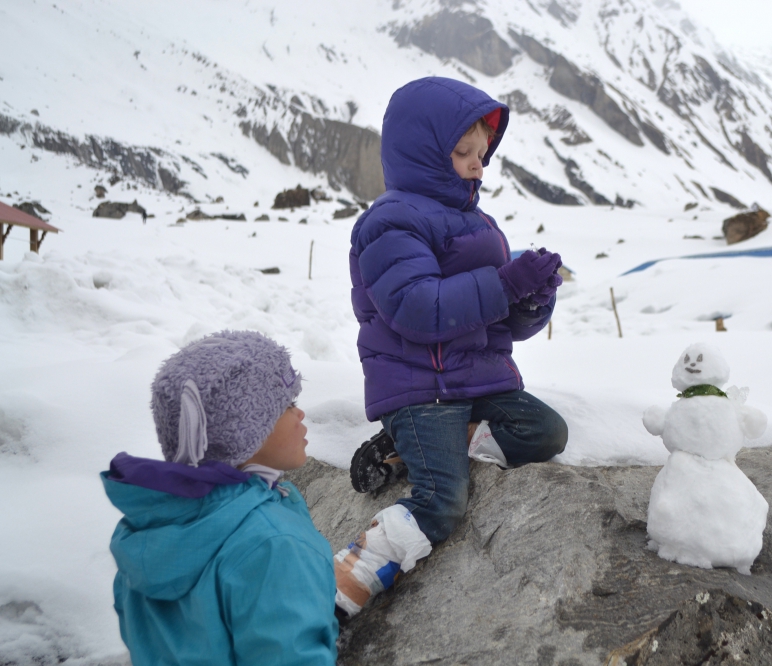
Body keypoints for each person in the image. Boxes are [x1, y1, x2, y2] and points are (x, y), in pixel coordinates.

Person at [337, 77, 568, 618]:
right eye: (463, 152)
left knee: (546, 432)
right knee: (443, 501)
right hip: (420, 389)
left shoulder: (479, 224)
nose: (476, 166)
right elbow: (418, 309)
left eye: (482, 154)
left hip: (476, 380)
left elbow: (497, 326)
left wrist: (532, 300)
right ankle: (350, 577)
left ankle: (404, 449)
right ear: (421, 152)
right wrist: (506, 284)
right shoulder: (390, 221)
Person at [101, 330, 338, 665]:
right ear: (243, 433)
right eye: (287, 404)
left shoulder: (148, 528)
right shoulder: (272, 543)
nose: (300, 414)